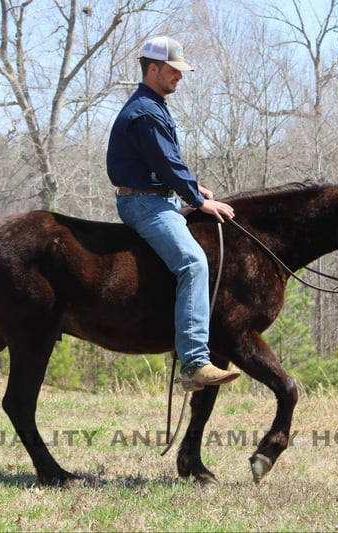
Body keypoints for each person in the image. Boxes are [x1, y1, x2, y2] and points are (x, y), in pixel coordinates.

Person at [106, 35, 240, 392]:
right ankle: (195, 363)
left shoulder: (153, 105)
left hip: (157, 199)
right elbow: (166, 163)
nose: (179, 76)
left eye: (180, 71)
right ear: (153, 69)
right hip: (145, 204)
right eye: (173, 70)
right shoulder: (146, 112)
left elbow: (165, 163)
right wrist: (197, 199)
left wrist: (194, 188)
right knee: (194, 263)